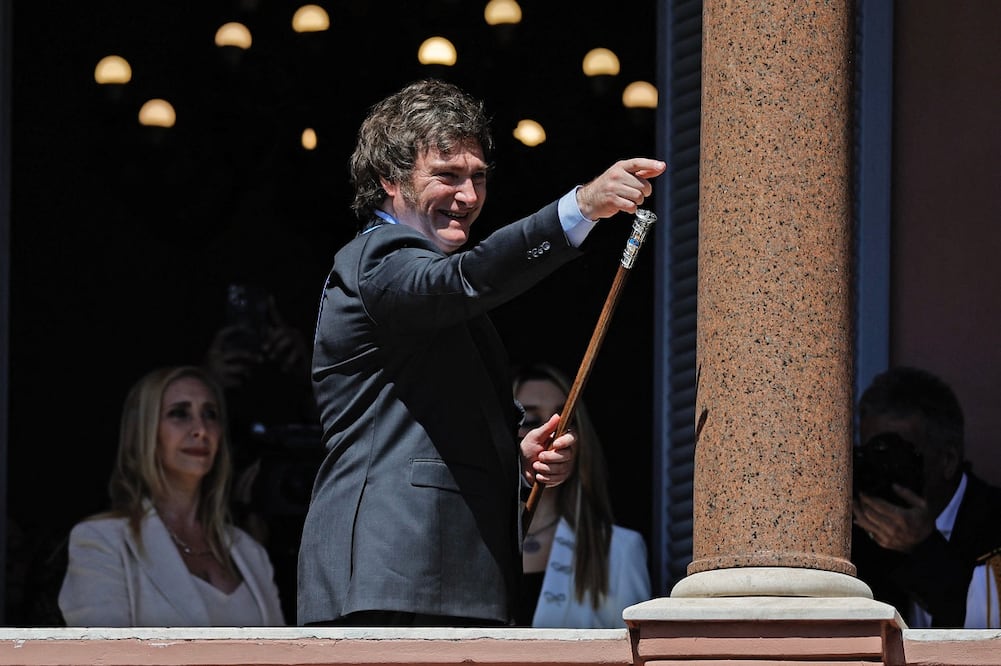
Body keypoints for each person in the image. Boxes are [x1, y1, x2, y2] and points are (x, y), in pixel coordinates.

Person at [297, 78, 666, 627]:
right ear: (389, 180)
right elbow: (466, 279)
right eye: (447, 176)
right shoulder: (378, 256)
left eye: (478, 177)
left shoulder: (426, 287)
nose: (468, 197)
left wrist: (516, 460)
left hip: (444, 579)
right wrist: (580, 208)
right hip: (394, 577)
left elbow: (422, 425)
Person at [58, 366, 285, 626]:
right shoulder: (103, 540)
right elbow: (102, 649)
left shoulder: (250, 552)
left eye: (210, 415)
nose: (201, 429)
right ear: (145, 431)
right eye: (180, 414)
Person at [851, 366, 1001, 628]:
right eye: (874, 453)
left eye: (897, 454)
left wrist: (922, 547)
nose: (884, 467)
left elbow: (984, 627)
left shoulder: (993, 522)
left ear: (947, 460)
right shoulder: (862, 528)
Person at [512, 363, 650, 628]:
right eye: (530, 421)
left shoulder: (619, 550)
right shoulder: (473, 544)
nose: (550, 435)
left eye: (566, 422)